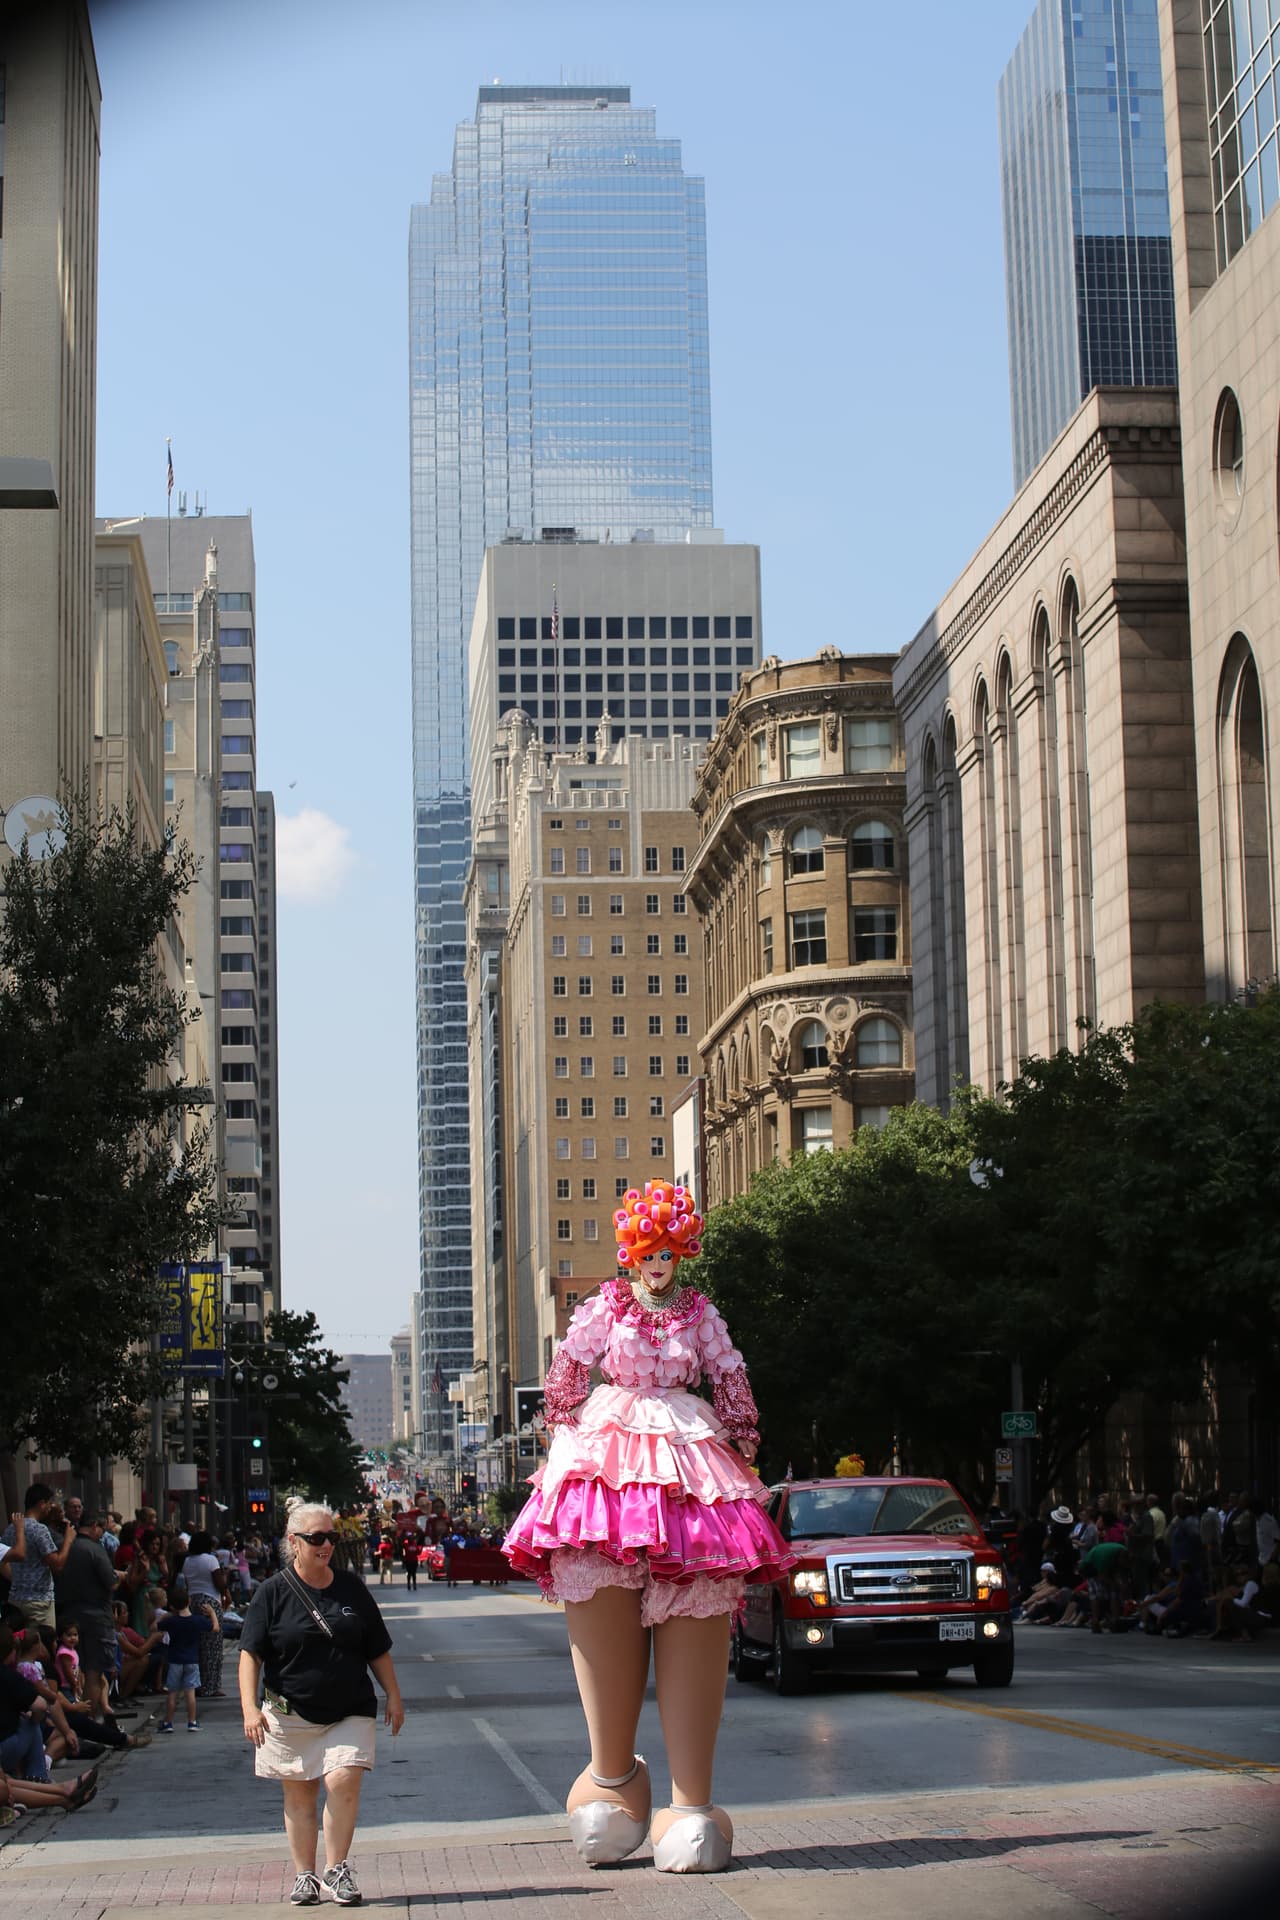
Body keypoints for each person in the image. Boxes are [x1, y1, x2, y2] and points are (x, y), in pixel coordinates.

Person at [503, 1179, 793, 1874]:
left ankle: (671, 1801)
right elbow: (567, 1376)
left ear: (682, 1251)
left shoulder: (699, 1312)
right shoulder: (607, 1305)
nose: (659, 1264)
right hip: (619, 1444)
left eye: (670, 1252)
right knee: (603, 1569)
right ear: (633, 1251)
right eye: (649, 1251)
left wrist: (742, 1432)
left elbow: (728, 1378)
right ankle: (622, 1783)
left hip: (683, 1449)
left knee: (693, 1584)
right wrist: (569, 1429)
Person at [238, 1498, 405, 1909]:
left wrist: (394, 1696)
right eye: (316, 1538)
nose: (325, 1545)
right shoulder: (272, 1592)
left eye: (330, 1537)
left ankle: (337, 1868)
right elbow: (250, 1655)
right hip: (290, 1710)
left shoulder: (351, 1588)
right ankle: (305, 1875)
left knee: (343, 1779)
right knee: (300, 1794)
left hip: (350, 1706)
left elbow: (376, 1648)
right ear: (293, 1542)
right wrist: (248, 1708)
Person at [53, 1513, 119, 1722]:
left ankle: (79, 1719)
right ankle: (90, 1721)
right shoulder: (95, 1549)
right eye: (101, 1529)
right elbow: (111, 1581)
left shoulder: (64, 1547)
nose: (102, 1534)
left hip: (69, 1615)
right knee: (94, 1672)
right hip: (96, 1617)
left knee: (74, 1668)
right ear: (94, 1527)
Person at [0, 1485, 75, 1630]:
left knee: (21, 1646)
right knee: (43, 1646)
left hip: (15, 1599)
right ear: (41, 1504)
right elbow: (57, 1564)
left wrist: (17, 1579)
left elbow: (2, 1563)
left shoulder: (11, 1529)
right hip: (39, 1601)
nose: (49, 1508)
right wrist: (68, 1540)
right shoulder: (39, 1530)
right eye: (48, 1503)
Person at [155, 1581, 217, 1732]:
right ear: (189, 1601)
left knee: (172, 1693)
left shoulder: (171, 1621)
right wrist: (212, 1613)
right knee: (190, 1693)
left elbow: (154, 1627)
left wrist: (166, 1615)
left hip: (175, 1660)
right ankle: (192, 1721)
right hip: (192, 1660)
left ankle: (168, 1722)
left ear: (172, 1605)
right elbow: (215, 1628)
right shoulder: (197, 1620)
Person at [181, 1529, 230, 1699]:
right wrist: (225, 1581)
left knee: (198, 1645)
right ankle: (211, 1686)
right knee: (213, 1646)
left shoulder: (187, 1561)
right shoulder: (210, 1560)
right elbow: (219, 1583)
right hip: (210, 1602)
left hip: (193, 1600)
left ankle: (197, 1684)